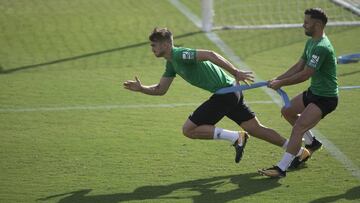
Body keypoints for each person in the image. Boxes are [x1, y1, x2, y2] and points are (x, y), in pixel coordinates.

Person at [123, 27, 309, 164]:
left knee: (189, 129)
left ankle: (236, 137)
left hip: (226, 94)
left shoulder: (181, 55)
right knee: (256, 128)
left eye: (154, 45)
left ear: (165, 44)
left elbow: (210, 54)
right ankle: (299, 152)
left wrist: (235, 71)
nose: (152, 49)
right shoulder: (171, 63)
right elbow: (161, 90)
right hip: (230, 93)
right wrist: (142, 89)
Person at [259, 8, 338, 177]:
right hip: (314, 92)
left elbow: (305, 74)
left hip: (326, 98)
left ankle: (281, 169)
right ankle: (313, 142)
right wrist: (277, 79)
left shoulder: (322, 47)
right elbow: (298, 66)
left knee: (298, 128)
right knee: (287, 111)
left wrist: (281, 83)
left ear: (317, 25)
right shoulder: (311, 42)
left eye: (307, 22)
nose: (303, 25)